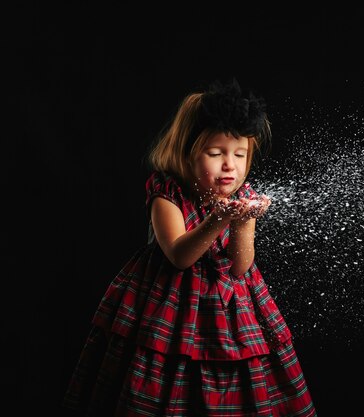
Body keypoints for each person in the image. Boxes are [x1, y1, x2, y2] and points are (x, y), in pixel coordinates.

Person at [62, 79, 318, 416]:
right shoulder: (168, 194)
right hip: (169, 307)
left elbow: (240, 267)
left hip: (232, 315)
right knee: (167, 380)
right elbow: (179, 256)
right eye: (216, 153)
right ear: (186, 153)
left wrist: (242, 222)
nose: (230, 165)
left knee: (239, 380)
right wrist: (218, 219)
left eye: (240, 154)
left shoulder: (243, 198)